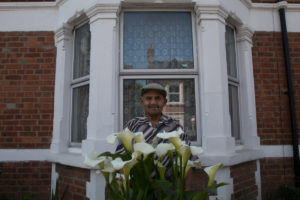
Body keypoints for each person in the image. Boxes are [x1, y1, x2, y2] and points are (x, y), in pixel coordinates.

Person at [116, 83, 190, 158]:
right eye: (148, 98)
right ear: (142, 101)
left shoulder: (175, 127)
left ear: (164, 102)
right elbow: (120, 156)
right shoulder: (132, 125)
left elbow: (188, 157)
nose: (153, 102)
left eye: (158, 98)